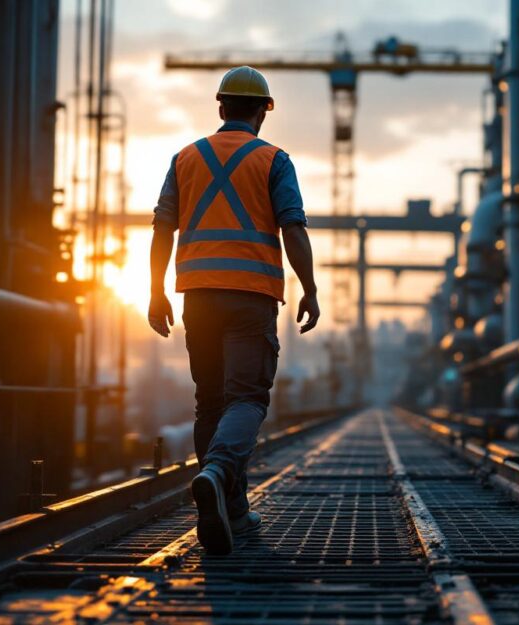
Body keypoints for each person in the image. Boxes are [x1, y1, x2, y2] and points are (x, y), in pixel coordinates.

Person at [146, 66, 319, 555]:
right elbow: (293, 228)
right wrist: (309, 287)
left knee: (211, 403)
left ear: (221, 107)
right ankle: (219, 474)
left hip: (197, 296)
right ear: (264, 111)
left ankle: (232, 512)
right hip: (251, 295)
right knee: (247, 399)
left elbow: (163, 229)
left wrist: (155, 291)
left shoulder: (185, 158)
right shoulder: (273, 160)